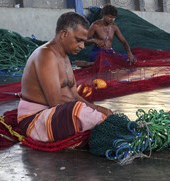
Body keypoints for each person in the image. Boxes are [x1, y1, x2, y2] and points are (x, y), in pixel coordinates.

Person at [17, 12, 112, 142]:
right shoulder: (46, 55)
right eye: (79, 40)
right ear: (64, 34)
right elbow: (55, 103)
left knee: (98, 113)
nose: (82, 46)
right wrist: (91, 113)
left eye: (84, 42)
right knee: (78, 112)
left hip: (57, 113)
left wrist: (97, 109)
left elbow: (74, 95)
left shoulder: (65, 58)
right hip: (35, 120)